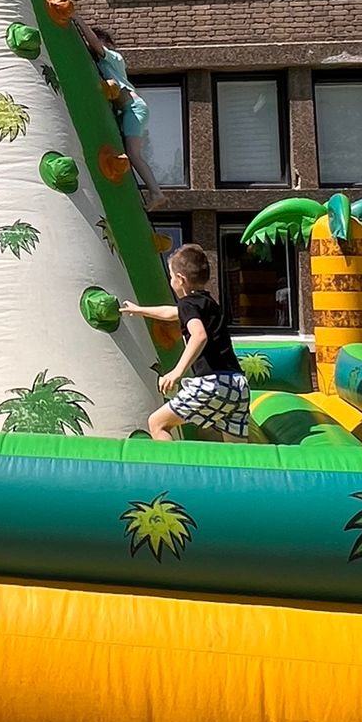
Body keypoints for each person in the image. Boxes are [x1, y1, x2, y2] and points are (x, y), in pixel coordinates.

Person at [120, 242, 251, 442]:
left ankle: (168, 464)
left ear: (180, 280)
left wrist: (177, 372)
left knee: (157, 423)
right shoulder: (208, 303)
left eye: (171, 277)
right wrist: (139, 310)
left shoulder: (187, 304)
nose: (171, 281)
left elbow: (199, 335)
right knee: (236, 451)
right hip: (238, 386)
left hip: (213, 383)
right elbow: (171, 312)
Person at [82, 26, 163, 203]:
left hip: (133, 108)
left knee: (133, 154)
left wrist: (77, 20)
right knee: (128, 150)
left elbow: (95, 43)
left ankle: (156, 193)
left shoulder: (114, 57)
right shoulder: (100, 65)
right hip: (127, 110)